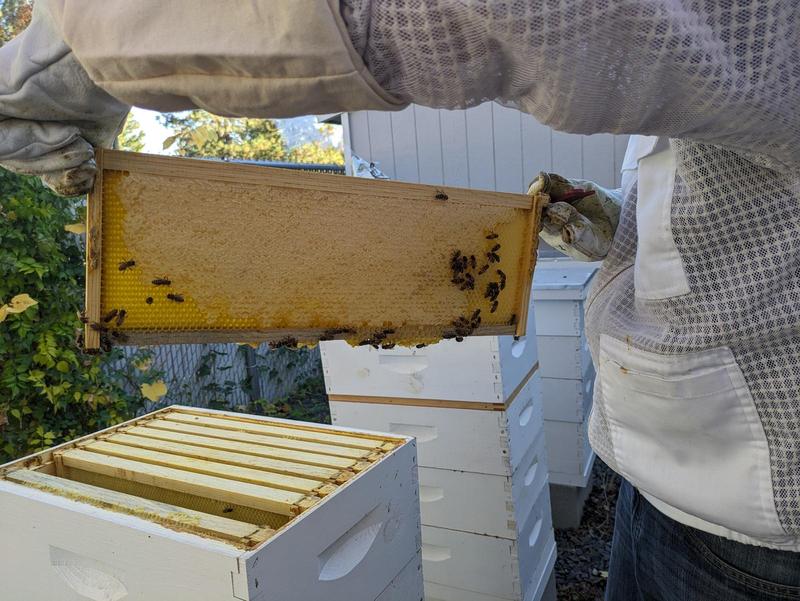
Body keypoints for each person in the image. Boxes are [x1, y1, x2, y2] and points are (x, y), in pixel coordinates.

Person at [2, 1, 799, 598]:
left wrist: (93, 40)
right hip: (676, 491)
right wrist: (620, 233)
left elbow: (535, 18)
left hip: (755, 537)